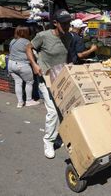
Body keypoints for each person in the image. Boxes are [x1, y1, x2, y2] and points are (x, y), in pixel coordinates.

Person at [26, 9, 72, 159]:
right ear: (55, 23)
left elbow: (67, 56)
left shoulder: (69, 37)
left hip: (61, 79)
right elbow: (28, 47)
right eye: (64, 23)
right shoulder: (43, 36)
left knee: (63, 110)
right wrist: (34, 64)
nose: (67, 26)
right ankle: (48, 141)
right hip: (45, 79)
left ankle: (60, 136)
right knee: (52, 112)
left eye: (68, 23)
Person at [8, 26, 39, 108]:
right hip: (22, 65)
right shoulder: (26, 42)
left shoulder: (12, 41)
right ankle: (29, 100)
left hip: (11, 64)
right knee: (29, 82)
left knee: (18, 83)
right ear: (25, 32)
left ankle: (20, 102)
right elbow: (32, 54)